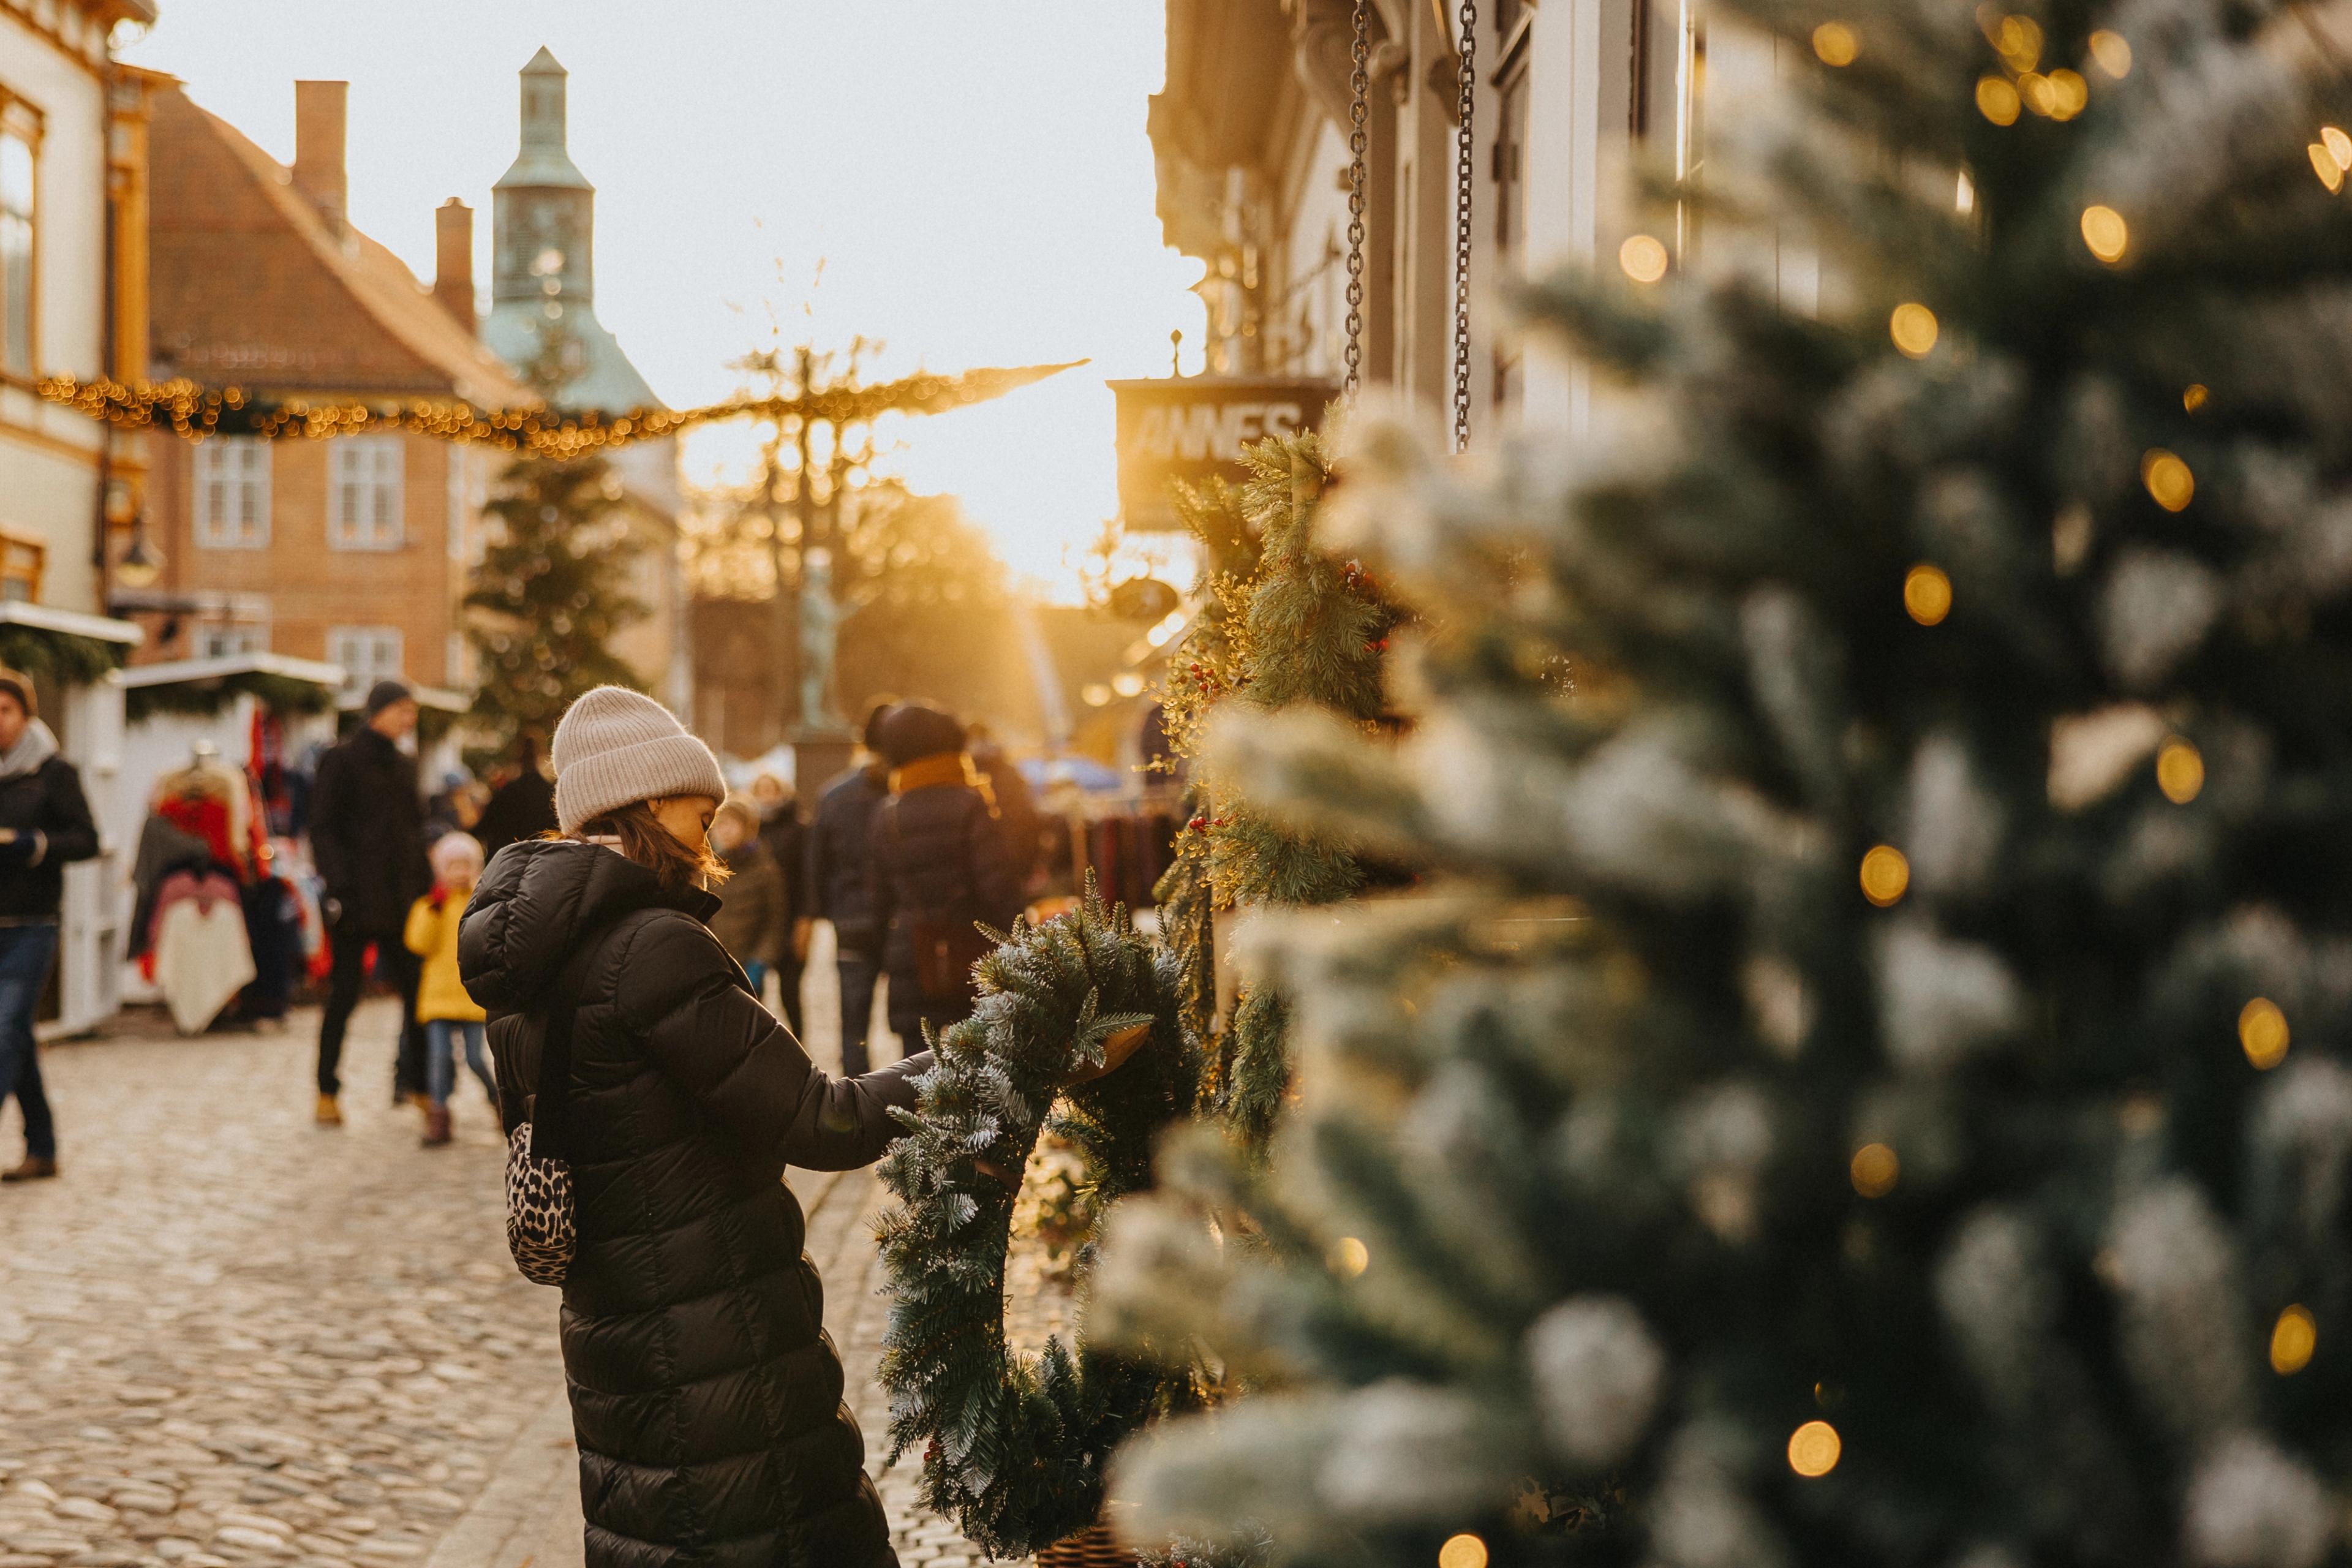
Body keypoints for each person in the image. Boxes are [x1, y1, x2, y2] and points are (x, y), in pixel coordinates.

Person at [456, 687, 942, 1568]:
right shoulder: (654, 948)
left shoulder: (527, 967)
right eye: (699, 809)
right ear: (641, 803)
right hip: (722, 1353)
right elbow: (824, 1121)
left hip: (619, 1350)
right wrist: (968, 1061)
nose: (712, 835)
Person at [308, 680, 432, 1126]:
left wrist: (425, 889)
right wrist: (338, 889)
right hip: (355, 902)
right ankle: (327, 1090)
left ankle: (420, 1086)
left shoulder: (405, 766)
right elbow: (322, 828)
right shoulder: (340, 760)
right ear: (378, 711)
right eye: (402, 709)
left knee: (418, 995)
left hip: (402, 902)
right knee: (343, 995)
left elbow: (415, 832)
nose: (409, 719)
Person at [869, 701, 1023, 1047]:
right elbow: (997, 887)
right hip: (971, 951)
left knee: (914, 1070)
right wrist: (1021, 944)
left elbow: (879, 899)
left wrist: (884, 956)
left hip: (912, 954)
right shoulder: (970, 803)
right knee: (983, 1062)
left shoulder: (886, 814)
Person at [0, 671, 97, 1182]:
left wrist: (30, 844)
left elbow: (86, 838)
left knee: (4, 1031)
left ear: (26, 715)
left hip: (32, 923)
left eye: (5, 711)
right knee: (15, 1036)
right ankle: (43, 1146)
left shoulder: (52, 771)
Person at [809, 701, 895, 1074]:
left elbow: (817, 867)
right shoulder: (904, 793)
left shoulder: (833, 795)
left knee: (853, 1024)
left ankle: (859, 1105)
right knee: (917, 1026)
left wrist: (826, 913)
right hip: (900, 922)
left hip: (852, 921)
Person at [405, 831, 491, 1148]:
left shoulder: (481, 903)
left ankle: (499, 1101)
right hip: (439, 998)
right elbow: (417, 943)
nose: (459, 872)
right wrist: (434, 910)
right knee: (439, 1058)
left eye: (464, 865)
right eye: (452, 865)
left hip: (470, 998)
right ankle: (438, 1117)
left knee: (476, 1059)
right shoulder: (430, 905)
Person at [704, 796, 787, 1000]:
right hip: (714, 964)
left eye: (731, 824)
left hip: (748, 964)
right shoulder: (707, 868)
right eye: (720, 825)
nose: (725, 831)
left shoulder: (765, 870)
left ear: (747, 828)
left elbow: (776, 921)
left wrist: (760, 960)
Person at [748, 771, 809, 1035]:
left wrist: (805, 923)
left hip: (791, 918)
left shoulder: (798, 829)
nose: (766, 796)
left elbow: (807, 879)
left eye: (770, 790)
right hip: (759, 921)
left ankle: (799, 1043)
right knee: (754, 992)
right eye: (760, 790)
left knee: (790, 991)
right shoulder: (750, 830)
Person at [965, 722, 1042, 888]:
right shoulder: (1006, 771)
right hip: (1007, 855)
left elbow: (1026, 816)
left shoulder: (967, 777)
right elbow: (1029, 817)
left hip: (1000, 856)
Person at [474, 733, 557, 862]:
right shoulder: (550, 793)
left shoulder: (506, 792)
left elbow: (484, 828)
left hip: (507, 863)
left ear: (518, 755)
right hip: (541, 863)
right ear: (541, 755)